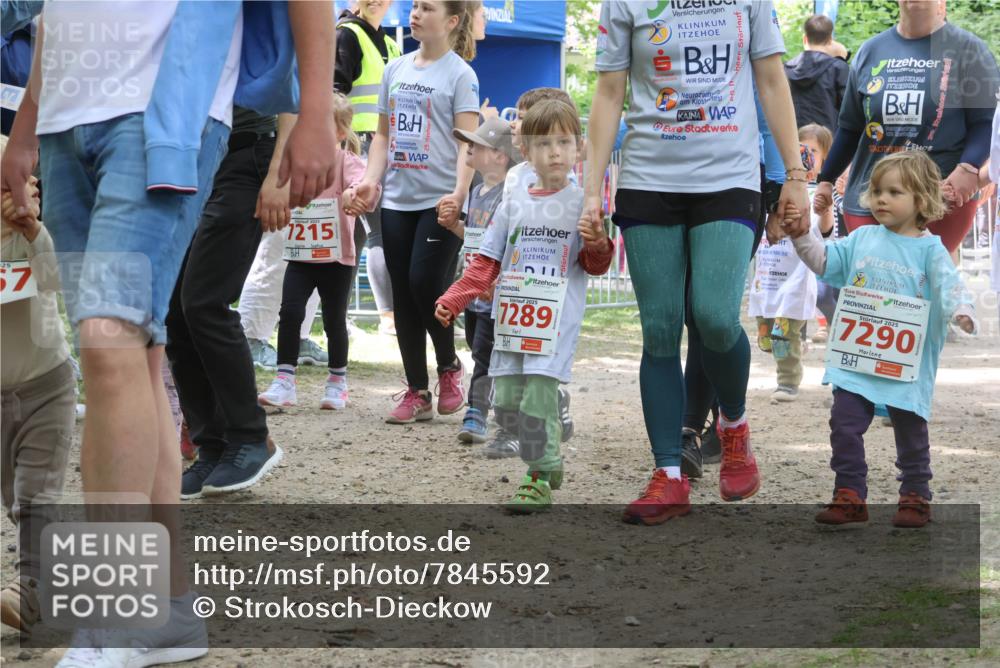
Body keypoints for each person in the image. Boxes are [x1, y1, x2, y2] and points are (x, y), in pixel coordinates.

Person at [0, 3, 338, 664]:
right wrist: (28, 123)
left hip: (166, 108)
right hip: (67, 121)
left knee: (109, 339)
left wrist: (317, 112)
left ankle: (115, 616)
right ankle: (170, 611)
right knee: (136, 354)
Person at [588, 0, 811, 525]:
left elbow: (771, 81)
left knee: (714, 315)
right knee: (659, 328)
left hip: (729, 176)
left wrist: (796, 175)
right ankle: (668, 474)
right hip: (648, 177)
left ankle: (733, 423)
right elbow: (609, 91)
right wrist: (590, 191)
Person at [435, 99, 614, 511]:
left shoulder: (582, 203)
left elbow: (596, 265)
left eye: (564, 142)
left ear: (579, 148)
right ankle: (548, 460)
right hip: (514, 321)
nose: (555, 152)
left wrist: (597, 242)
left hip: (555, 322)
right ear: (526, 152)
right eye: (544, 144)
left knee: (537, 399)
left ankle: (539, 476)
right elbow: (487, 259)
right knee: (507, 402)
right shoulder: (513, 201)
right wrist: (456, 296)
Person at [792, 152, 976, 527]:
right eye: (877, 191)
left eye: (894, 192)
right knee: (843, 424)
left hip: (905, 365)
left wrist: (961, 310)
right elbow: (824, 261)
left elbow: (950, 284)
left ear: (921, 200)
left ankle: (915, 495)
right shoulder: (861, 239)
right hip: (856, 360)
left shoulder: (930, 250)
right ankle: (849, 494)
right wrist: (800, 234)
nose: (881, 199)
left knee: (911, 433)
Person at [347, 0, 480, 424]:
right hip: (396, 200)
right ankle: (417, 390)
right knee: (402, 292)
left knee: (424, 282)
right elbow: (382, 136)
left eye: (427, 8)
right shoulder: (396, 69)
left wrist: (459, 193)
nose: (415, 13)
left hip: (439, 200)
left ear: (452, 21)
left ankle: (449, 366)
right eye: (415, 6)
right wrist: (370, 180)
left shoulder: (461, 75)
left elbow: (467, 143)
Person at [166, 107, 291, 502]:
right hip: (193, 163)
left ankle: (251, 437)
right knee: (175, 312)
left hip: (245, 154)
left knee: (204, 301)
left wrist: (279, 172)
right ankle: (212, 447)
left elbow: (292, 91)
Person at [813, 0, 1000, 257]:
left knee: (923, 280)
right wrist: (826, 179)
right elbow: (850, 128)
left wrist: (969, 166)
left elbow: (986, 122)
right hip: (870, 200)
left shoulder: (970, 50)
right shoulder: (870, 51)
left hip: (937, 201)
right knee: (869, 281)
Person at [259, 93, 377, 411]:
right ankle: (284, 380)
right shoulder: (295, 161)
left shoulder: (347, 161)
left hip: (336, 257)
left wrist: (353, 194)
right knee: (290, 313)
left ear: (340, 132)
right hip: (300, 255)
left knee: (334, 320)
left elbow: (365, 186)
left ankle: (337, 382)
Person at [0, 143, 72, 634]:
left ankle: (31, 589)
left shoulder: (38, 235)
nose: (16, 195)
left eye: (22, 183)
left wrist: (32, 231)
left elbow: (56, 281)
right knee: (14, 497)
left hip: (47, 385)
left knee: (34, 495)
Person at [750, 126, 835, 404]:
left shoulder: (814, 195)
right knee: (766, 338)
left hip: (795, 282)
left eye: (813, 152)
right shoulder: (774, 189)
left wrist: (825, 210)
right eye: (800, 149)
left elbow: (825, 232)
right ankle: (794, 344)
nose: (805, 156)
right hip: (767, 279)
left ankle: (787, 382)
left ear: (824, 160)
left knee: (782, 337)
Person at [335, 0, 403, 337]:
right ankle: (389, 317)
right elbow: (334, 93)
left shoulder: (390, 44)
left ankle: (338, 314)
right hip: (357, 148)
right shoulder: (347, 35)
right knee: (378, 232)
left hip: (383, 149)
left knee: (357, 237)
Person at [448, 116, 514, 444]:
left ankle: (476, 411)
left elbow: (505, 243)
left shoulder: (510, 194)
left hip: (493, 291)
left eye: (477, 143)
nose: (468, 147)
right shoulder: (476, 191)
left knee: (483, 354)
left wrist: (495, 278)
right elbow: (475, 236)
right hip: (474, 290)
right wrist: (453, 227)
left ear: (500, 156)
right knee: (477, 345)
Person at [783, 14, 849, 133]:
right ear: (830, 40)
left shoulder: (786, 68)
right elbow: (848, 110)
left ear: (805, 39)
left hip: (794, 139)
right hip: (827, 140)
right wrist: (843, 59)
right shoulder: (838, 68)